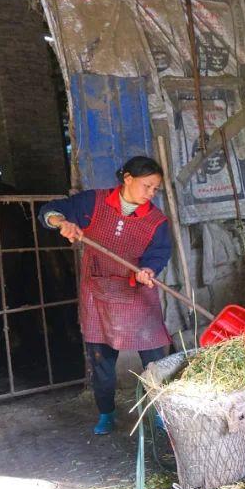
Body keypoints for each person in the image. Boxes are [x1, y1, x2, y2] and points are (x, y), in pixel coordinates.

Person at [39, 156, 173, 435]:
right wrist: (61, 222)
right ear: (127, 179)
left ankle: (161, 412)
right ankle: (106, 413)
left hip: (137, 295)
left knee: (157, 359)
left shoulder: (156, 221)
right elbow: (50, 210)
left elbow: (159, 252)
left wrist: (148, 268)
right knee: (101, 360)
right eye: (147, 186)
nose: (151, 193)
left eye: (155, 189)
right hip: (97, 294)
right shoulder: (93, 202)